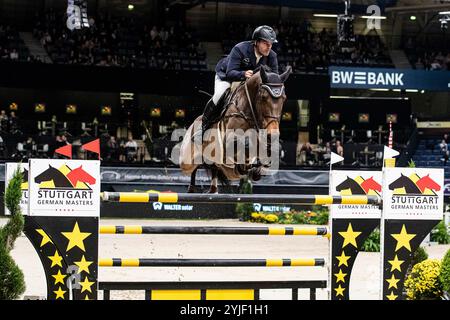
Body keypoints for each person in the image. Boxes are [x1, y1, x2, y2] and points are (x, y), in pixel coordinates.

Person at [193, 25, 279, 140]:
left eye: (271, 44)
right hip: (228, 77)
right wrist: (243, 74)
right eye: (266, 43)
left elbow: (274, 77)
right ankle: (203, 127)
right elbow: (230, 72)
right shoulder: (240, 49)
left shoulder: (272, 56)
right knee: (220, 94)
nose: (269, 47)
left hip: (250, 84)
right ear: (256, 42)